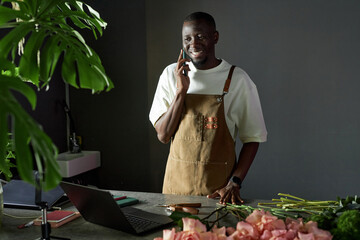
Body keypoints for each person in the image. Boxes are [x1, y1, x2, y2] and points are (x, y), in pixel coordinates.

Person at [149, 12, 267, 204]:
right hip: (175, 193)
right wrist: (181, 91)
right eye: (187, 38)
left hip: (218, 195)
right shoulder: (171, 74)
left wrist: (235, 182)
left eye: (201, 37)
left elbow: (253, 138)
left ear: (215, 37)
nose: (193, 44)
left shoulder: (237, 80)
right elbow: (163, 135)